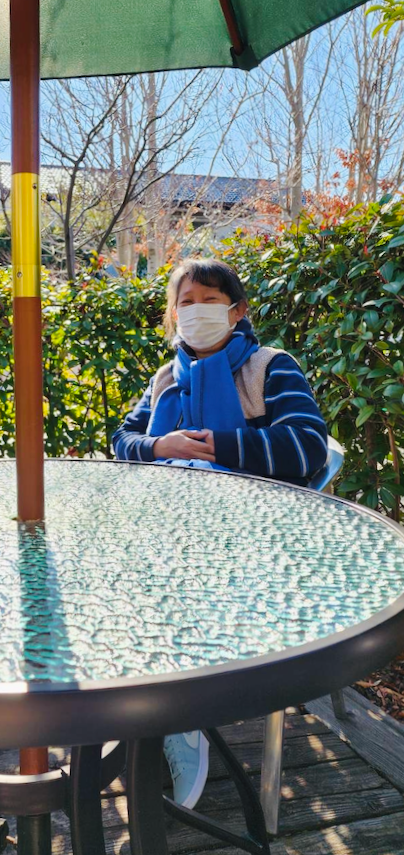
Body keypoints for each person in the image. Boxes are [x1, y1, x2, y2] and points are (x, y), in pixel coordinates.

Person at [112, 257, 328, 811]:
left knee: (160, 582)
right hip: (167, 524)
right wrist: (159, 446)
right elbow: (123, 440)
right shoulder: (166, 378)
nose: (197, 311)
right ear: (172, 315)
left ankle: (181, 722)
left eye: (210, 300)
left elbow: (307, 446)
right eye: (186, 302)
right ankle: (142, 708)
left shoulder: (269, 368)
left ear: (237, 311)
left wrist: (217, 446)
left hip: (252, 537)